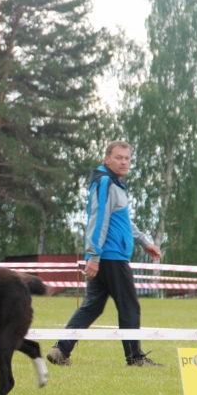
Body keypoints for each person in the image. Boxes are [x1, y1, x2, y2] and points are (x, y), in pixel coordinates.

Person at [47, 141, 163, 367]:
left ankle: (61, 350)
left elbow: (123, 220)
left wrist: (143, 241)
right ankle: (135, 358)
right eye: (118, 157)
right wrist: (94, 256)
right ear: (106, 159)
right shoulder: (105, 182)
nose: (124, 162)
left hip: (108, 256)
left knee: (93, 306)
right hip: (110, 256)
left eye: (127, 158)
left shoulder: (115, 184)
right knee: (129, 306)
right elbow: (99, 219)